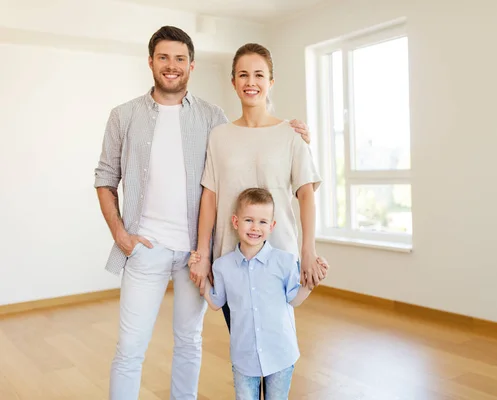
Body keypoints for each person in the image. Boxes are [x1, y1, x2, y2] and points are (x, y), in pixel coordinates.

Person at [94, 26, 312, 400]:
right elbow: (104, 177)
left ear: (192, 66)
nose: (172, 66)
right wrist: (121, 235)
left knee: (190, 343)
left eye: (180, 59)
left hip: (196, 254)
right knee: (129, 350)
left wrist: (294, 129)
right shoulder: (124, 116)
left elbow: (253, 136)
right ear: (150, 62)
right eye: (163, 57)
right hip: (145, 250)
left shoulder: (212, 118)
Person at [188, 43, 328, 332]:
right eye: (243, 75)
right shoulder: (219, 136)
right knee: (243, 352)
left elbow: (306, 195)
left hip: (279, 255)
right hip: (230, 257)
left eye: (259, 75)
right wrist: (203, 254)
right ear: (233, 82)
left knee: (275, 349)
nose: (251, 82)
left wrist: (309, 249)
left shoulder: (291, 134)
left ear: (271, 82)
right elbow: (210, 199)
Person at [190, 188, 322, 399]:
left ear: (272, 226)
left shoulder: (284, 262)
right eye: (248, 220)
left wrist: (309, 284)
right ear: (235, 222)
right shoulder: (223, 266)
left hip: (280, 354)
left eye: (262, 222)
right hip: (244, 358)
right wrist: (199, 273)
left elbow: (293, 299)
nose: (255, 227)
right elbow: (216, 302)